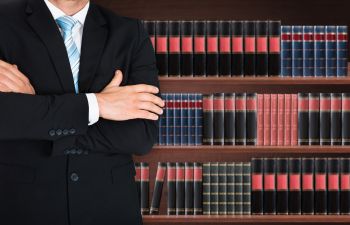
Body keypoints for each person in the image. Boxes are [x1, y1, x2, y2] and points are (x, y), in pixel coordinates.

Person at [0, 0, 164, 224]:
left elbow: (141, 136)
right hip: (24, 208)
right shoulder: (4, 21)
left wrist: (38, 117)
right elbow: (5, 118)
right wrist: (98, 105)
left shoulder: (129, 33)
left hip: (109, 209)